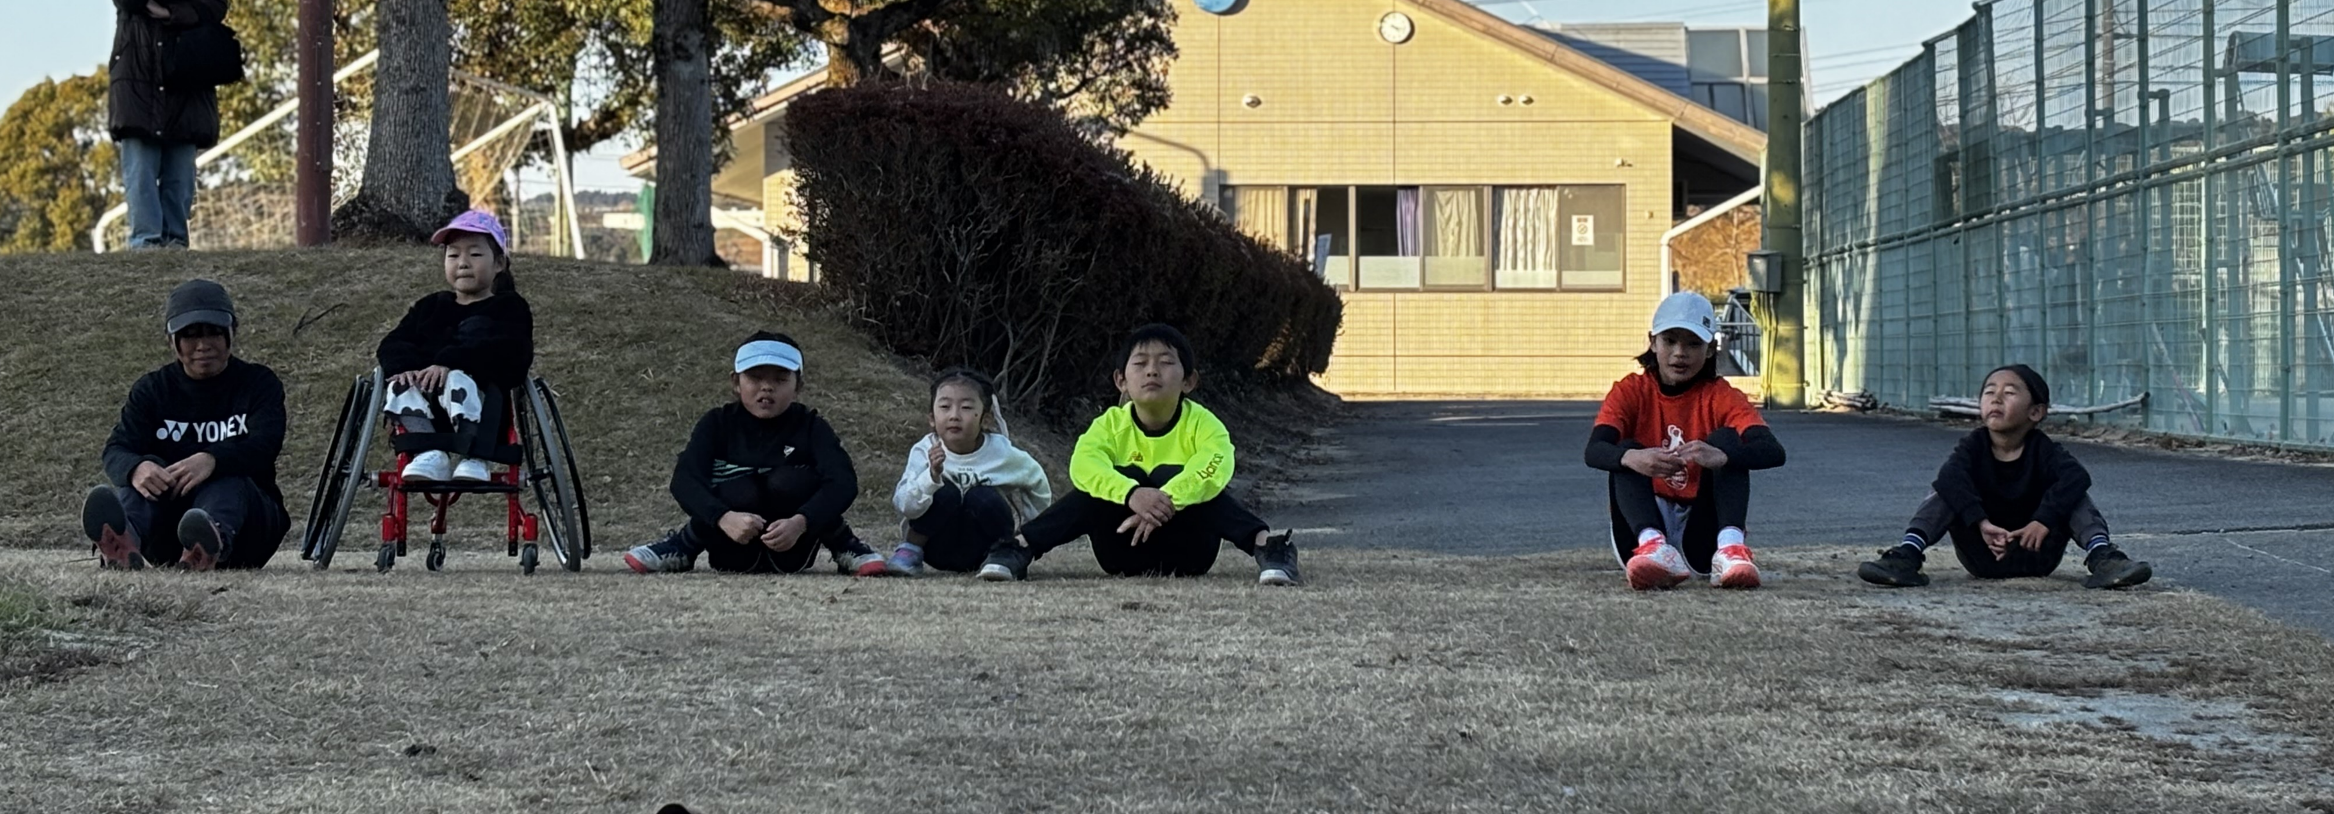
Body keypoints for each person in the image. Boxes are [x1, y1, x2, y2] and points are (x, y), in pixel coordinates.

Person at [975, 324, 1301, 586]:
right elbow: (1084, 466)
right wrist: (1131, 494)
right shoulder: (1109, 425)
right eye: (1141, 363)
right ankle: (1018, 549)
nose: (1152, 371)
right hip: (1121, 550)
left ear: (1189, 381)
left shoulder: (1203, 423)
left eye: (1166, 362)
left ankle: (1269, 547)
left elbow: (1214, 465)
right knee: (1110, 482)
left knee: (1176, 477)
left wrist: (1164, 499)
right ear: (1121, 380)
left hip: (1189, 553)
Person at [1858, 364, 2153, 589]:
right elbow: (1949, 479)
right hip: (1983, 554)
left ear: (2036, 412)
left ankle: (2103, 558)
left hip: (2036, 552)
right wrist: (1981, 522)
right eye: (1989, 392)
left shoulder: (2044, 450)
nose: (1996, 398)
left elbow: (2077, 477)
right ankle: (1907, 556)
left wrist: (2043, 520)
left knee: (2072, 491)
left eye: (2009, 392)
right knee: (1947, 488)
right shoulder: (1973, 446)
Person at [623, 332, 889, 576]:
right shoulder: (716, 423)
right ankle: (683, 547)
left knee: (789, 480)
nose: (767, 387)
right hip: (733, 550)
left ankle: (844, 546)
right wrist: (723, 518)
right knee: (739, 489)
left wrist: (801, 522)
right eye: (755, 377)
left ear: (799, 386)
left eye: (780, 379)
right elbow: (685, 479)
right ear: (735, 383)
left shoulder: (811, 426)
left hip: (790, 551)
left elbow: (843, 481)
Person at [1584, 292, 1787, 590]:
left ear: (1709, 350)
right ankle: (1653, 547)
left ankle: (1730, 550)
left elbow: (1773, 451)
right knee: (1626, 450)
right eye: (1670, 341)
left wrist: (1723, 458)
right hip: (1641, 522)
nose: (1680, 353)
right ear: (1653, 342)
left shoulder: (1721, 395)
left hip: (1700, 525)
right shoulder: (1630, 390)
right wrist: (1634, 459)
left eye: (1693, 343)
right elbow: (1594, 450)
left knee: (1727, 442)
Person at [83, 279, 288, 570]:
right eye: (190, 336)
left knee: (228, 477)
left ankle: (208, 542)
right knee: (145, 473)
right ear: (172, 341)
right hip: (166, 534)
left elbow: (265, 445)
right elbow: (117, 448)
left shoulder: (259, 384)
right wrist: (135, 469)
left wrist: (212, 460)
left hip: (246, 530)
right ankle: (123, 541)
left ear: (232, 333)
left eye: (214, 333)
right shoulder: (152, 390)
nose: (203, 345)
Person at [375, 210, 534, 484]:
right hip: (427, 407)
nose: (463, 263)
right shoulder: (430, 306)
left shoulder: (509, 308)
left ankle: (473, 456)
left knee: (458, 378)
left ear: (498, 264)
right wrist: (405, 369)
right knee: (399, 384)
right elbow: (394, 342)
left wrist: (449, 362)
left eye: (474, 254)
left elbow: (510, 354)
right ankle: (428, 451)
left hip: (483, 408)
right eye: (453, 255)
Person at [885, 367, 1052, 575]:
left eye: (965, 407)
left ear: (986, 419)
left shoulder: (1002, 452)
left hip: (985, 551)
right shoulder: (924, 450)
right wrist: (931, 477)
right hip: (935, 547)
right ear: (931, 419)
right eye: (945, 406)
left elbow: (1036, 479)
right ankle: (910, 553)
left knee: (982, 496)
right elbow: (905, 506)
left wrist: (1030, 534)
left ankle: (1004, 556)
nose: (954, 416)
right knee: (947, 493)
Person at [108, 0, 229, 250]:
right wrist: (184, 12)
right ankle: (146, 242)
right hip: (138, 78)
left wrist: (171, 12)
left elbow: (215, 8)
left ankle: (175, 242)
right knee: (141, 169)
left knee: (181, 172)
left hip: (188, 76)